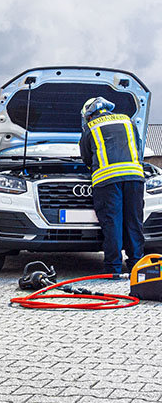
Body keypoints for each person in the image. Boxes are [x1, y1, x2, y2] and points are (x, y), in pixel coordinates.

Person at [78, 96, 145, 275]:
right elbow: (138, 148)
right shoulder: (127, 120)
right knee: (133, 222)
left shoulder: (90, 127)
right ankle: (137, 268)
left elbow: (85, 157)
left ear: (88, 114)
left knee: (112, 223)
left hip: (107, 181)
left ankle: (113, 269)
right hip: (134, 178)